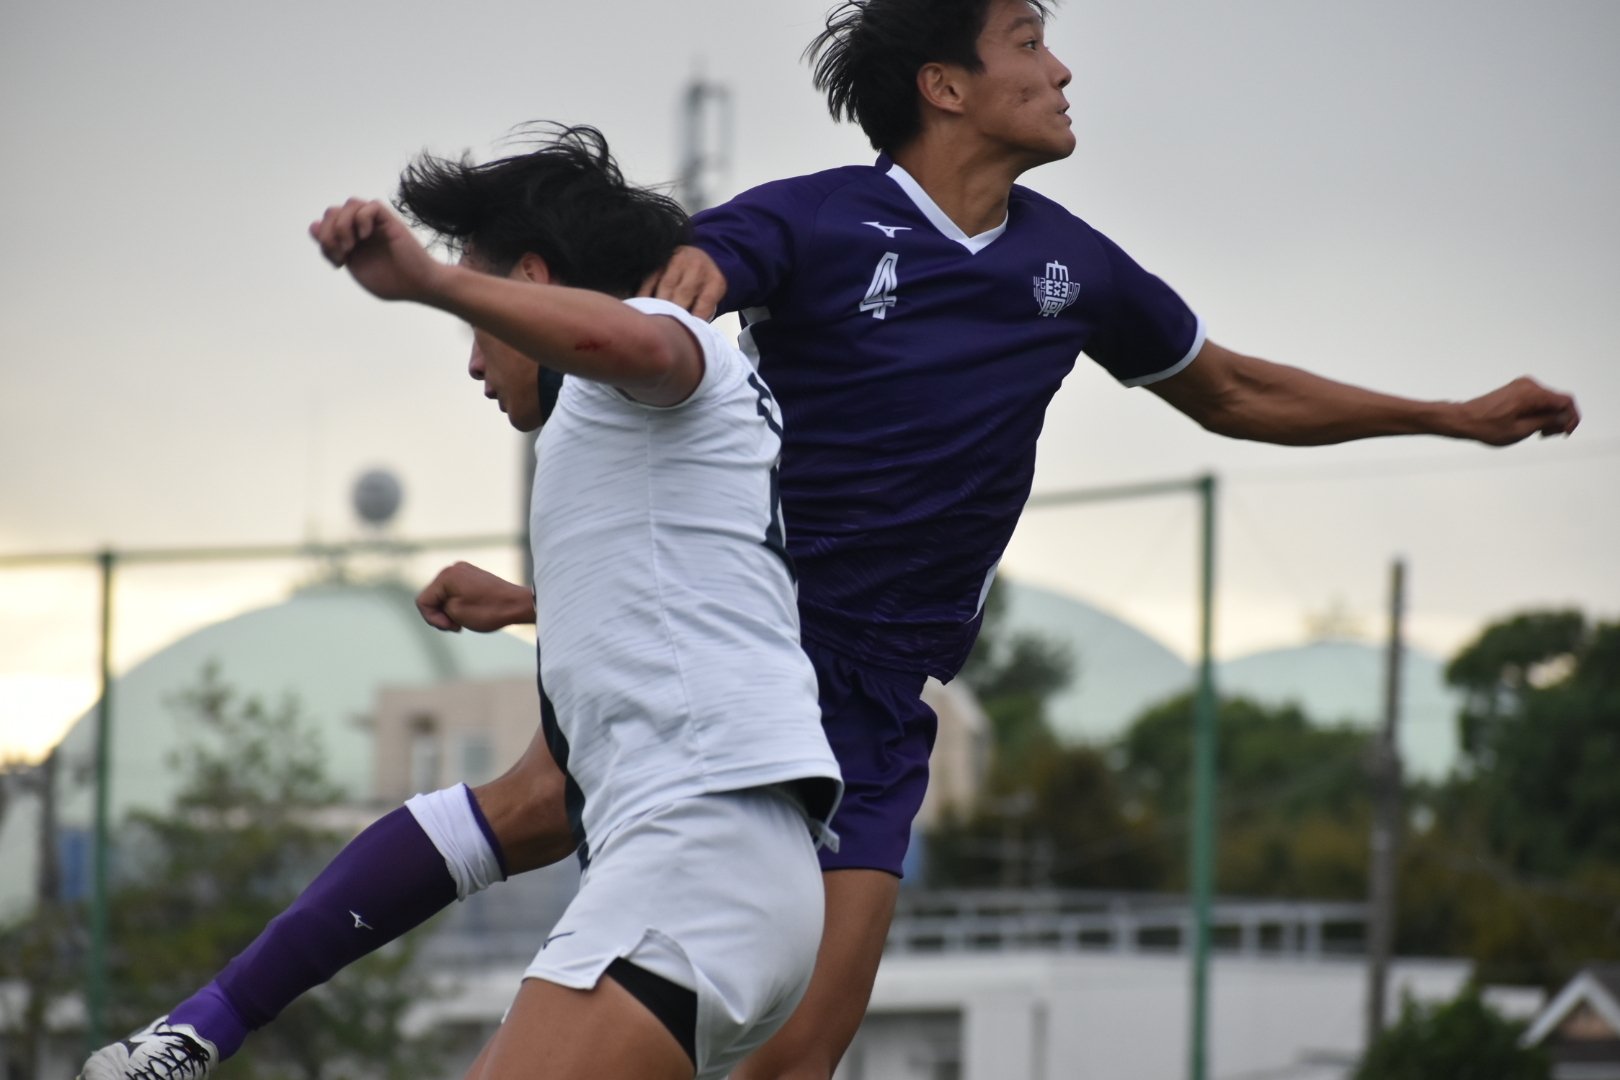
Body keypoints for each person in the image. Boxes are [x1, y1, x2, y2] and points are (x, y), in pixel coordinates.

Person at [83, 1, 1580, 1078]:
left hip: (875, 704)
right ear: (947, 82)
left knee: (796, 1051)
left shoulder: (1073, 269)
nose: (1062, 68)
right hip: (767, 672)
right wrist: (542, 355)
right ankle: (200, 1027)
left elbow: (1235, 389)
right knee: (541, 801)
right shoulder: (801, 227)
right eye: (1029, 39)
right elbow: (670, 359)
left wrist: (1451, 416)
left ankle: (201, 1029)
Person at [80, 126, 842, 1080]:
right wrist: (542, 602)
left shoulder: (660, 350)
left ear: (531, 284)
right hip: (721, 887)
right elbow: (527, 811)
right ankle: (193, 1032)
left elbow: (627, 337)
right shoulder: (626, 452)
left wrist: (428, 281)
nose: (474, 362)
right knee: (521, 798)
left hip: (695, 871)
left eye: (480, 324)